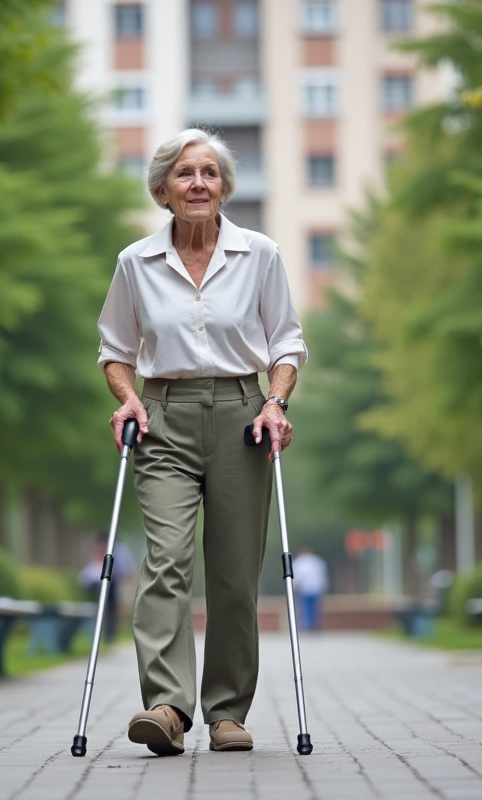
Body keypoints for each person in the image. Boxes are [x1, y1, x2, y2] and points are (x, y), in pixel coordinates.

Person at [96, 128, 308, 756]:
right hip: (163, 417)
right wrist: (126, 397)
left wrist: (277, 401)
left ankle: (226, 713)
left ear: (224, 187)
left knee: (236, 576)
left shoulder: (259, 253)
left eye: (209, 173)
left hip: (243, 414)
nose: (198, 183)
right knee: (165, 560)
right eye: (185, 174)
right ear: (163, 190)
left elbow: (286, 343)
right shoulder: (136, 262)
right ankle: (165, 706)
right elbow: (115, 349)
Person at [78, 538, 134, 643]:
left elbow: (123, 570)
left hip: (111, 583)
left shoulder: (117, 551)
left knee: (111, 609)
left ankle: (109, 634)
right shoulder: (97, 553)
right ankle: (102, 633)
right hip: (97, 585)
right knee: (103, 609)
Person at [291, 546, 329, 632]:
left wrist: (294, 588)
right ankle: (313, 625)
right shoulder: (318, 561)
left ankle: (308, 626)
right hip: (315, 589)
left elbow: (296, 577)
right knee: (314, 609)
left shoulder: (299, 562)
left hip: (305, 589)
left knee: (306, 609)